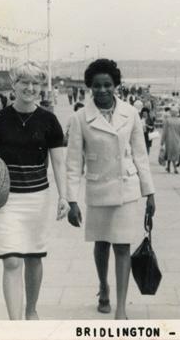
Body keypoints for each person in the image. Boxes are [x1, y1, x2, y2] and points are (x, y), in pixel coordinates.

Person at [66, 58, 156, 320]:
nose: (102, 90)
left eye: (107, 84)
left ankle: (121, 308)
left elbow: (140, 155)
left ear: (116, 85)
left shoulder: (131, 113)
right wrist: (72, 200)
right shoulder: (80, 118)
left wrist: (149, 192)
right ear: (90, 87)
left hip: (127, 188)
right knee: (102, 243)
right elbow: (73, 162)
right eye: (97, 85)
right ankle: (103, 287)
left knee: (122, 247)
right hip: (98, 188)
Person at [0, 61, 70, 320]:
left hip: (37, 199)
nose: (30, 88)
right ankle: (15, 325)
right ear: (14, 85)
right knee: (11, 260)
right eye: (24, 82)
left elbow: (59, 162)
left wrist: (64, 196)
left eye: (36, 83)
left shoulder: (49, 120)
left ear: (41, 87)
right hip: (6, 199)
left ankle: (31, 311)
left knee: (33, 257)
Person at [160, 106, 180, 174]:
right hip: (177, 139)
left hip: (169, 139)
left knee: (169, 153)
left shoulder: (168, 120)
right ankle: (169, 167)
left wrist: (162, 141)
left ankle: (174, 168)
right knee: (174, 153)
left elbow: (164, 131)